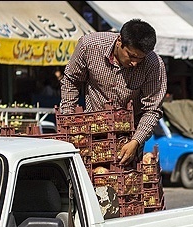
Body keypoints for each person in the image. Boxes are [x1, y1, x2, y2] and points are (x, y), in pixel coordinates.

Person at [60, 18, 167, 166]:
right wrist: (69, 119)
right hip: (92, 133)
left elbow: (152, 110)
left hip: (130, 137)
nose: (135, 63)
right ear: (119, 41)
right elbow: (71, 81)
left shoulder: (153, 64)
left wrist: (136, 141)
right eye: (131, 55)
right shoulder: (89, 46)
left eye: (140, 58)